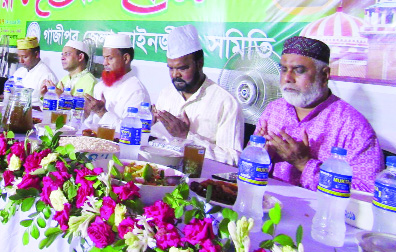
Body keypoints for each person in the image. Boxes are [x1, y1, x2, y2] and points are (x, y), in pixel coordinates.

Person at [257, 36, 384, 192]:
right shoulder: (274, 110)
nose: (287, 78)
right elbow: (248, 168)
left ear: (324, 75)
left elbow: (368, 192)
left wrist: (304, 164)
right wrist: (260, 155)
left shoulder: (354, 126)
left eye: (298, 70)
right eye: (283, 69)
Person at [153, 25, 244, 166]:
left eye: (182, 68)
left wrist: (186, 137)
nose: (175, 75)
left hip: (203, 181)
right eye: (171, 68)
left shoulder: (225, 103)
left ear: (199, 63)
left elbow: (233, 159)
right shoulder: (166, 94)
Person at [83, 34, 150, 128]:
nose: (104, 63)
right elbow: (90, 124)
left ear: (126, 58)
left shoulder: (137, 91)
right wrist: (86, 114)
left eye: (110, 58)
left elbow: (132, 131)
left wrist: (102, 112)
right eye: (104, 58)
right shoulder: (100, 87)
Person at [14, 37, 58, 106]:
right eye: (19, 57)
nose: (20, 61)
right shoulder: (19, 72)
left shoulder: (46, 75)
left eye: (25, 57)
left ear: (36, 54)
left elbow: (51, 104)